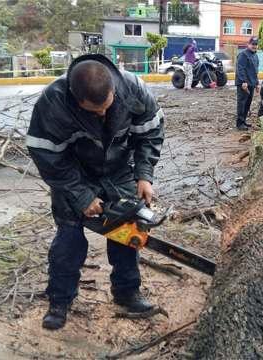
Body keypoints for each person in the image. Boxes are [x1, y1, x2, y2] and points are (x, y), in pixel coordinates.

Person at [26, 54, 165, 330]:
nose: (102, 114)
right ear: (73, 96)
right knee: (68, 239)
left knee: (126, 231)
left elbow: (149, 132)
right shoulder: (53, 102)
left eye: (106, 107)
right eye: (93, 111)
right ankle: (60, 300)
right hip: (72, 175)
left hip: (118, 170)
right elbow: (48, 157)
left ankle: (127, 291)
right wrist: (81, 195)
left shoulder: (133, 88)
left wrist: (144, 174)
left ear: (114, 88)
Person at [235, 36, 260, 131]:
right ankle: (239, 123)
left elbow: (255, 71)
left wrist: (257, 83)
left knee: (247, 104)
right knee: (241, 103)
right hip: (244, 84)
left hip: (251, 84)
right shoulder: (243, 55)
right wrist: (243, 81)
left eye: (256, 44)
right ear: (248, 44)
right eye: (252, 44)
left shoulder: (255, 56)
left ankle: (244, 120)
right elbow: (240, 69)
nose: (254, 46)